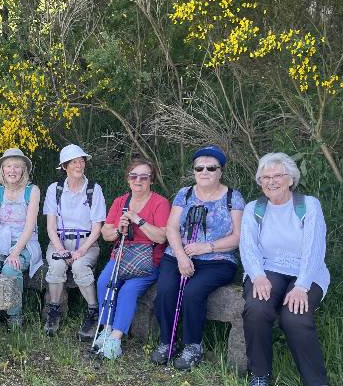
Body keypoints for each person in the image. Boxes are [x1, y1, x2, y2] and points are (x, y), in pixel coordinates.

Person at [240, 152, 330, 386]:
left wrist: (302, 286)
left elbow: (314, 248)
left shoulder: (309, 205)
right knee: (257, 308)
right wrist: (257, 276)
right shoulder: (253, 209)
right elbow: (248, 248)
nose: (271, 181)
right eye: (265, 177)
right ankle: (259, 374)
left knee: (295, 316)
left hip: (306, 271)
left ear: (291, 178)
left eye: (277, 175)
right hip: (267, 268)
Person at [151, 145, 245, 370]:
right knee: (165, 289)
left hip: (217, 259)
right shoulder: (184, 194)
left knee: (193, 292)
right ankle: (167, 341)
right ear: (193, 171)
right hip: (178, 254)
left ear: (220, 171)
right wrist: (182, 256)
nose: (205, 172)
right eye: (199, 168)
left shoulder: (233, 197)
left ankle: (193, 345)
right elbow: (172, 228)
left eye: (211, 168)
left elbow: (238, 237)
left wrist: (207, 247)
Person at [92, 158, 171, 357]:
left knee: (128, 290)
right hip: (121, 256)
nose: (138, 181)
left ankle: (115, 340)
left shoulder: (160, 203)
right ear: (128, 179)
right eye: (134, 176)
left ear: (151, 180)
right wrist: (119, 229)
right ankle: (107, 328)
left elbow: (162, 237)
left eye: (144, 177)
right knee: (104, 282)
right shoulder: (120, 202)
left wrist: (138, 220)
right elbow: (106, 233)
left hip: (148, 260)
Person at [42, 144, 106, 338]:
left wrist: (81, 250)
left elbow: (97, 227)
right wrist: (61, 250)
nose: (79, 165)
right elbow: (51, 226)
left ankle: (93, 312)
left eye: (81, 161)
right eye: (74, 162)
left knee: (79, 267)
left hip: (87, 242)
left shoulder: (94, 189)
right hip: (59, 240)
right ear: (64, 167)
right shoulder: (55, 189)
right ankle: (54, 310)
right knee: (56, 267)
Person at [0, 148, 43, 329]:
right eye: (8, 166)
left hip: (25, 243)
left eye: (17, 166)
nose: (12, 170)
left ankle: (14, 314)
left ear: (24, 169)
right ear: (2, 170)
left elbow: (30, 226)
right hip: (0, 243)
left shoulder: (32, 191)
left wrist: (15, 253)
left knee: (11, 268)